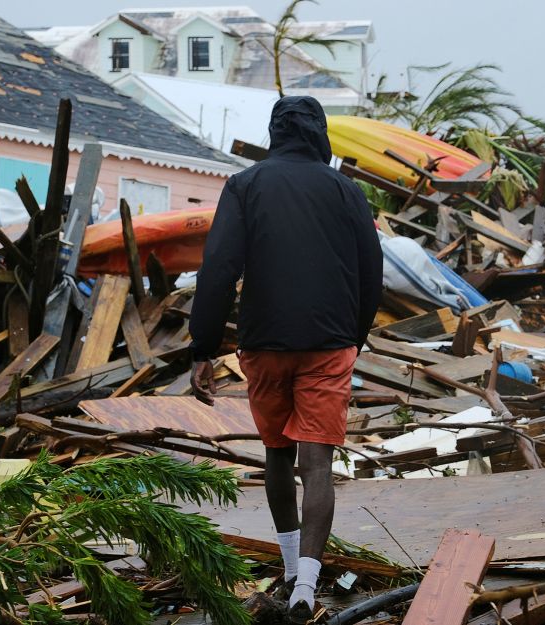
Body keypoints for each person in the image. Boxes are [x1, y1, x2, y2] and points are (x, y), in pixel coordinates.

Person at [188, 95, 383, 624]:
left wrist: (202, 346)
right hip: (329, 342)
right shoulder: (347, 190)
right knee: (316, 464)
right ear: (320, 132)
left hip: (265, 343)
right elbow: (372, 272)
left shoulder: (245, 185)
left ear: (275, 131)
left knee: (277, 453)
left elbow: (218, 267)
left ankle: (292, 567)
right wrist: (353, 338)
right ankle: (307, 588)